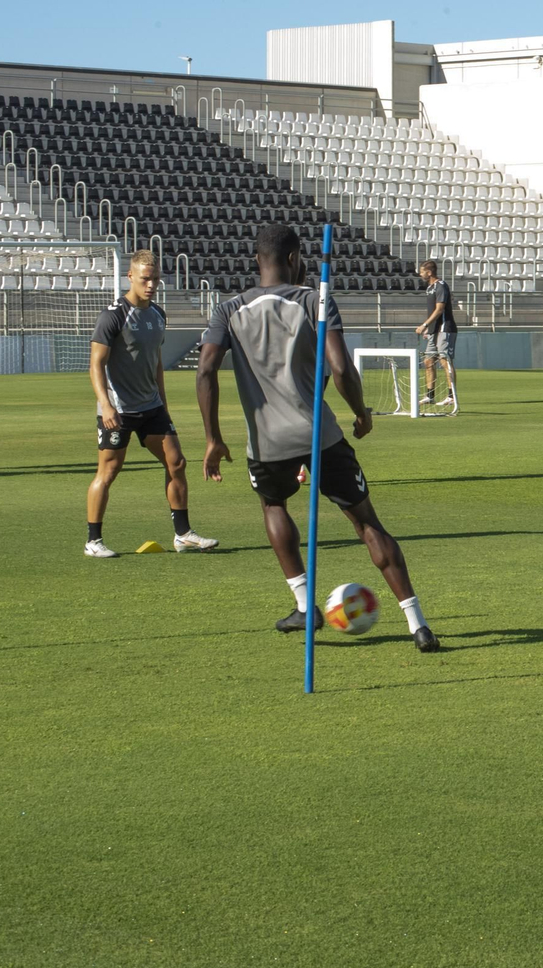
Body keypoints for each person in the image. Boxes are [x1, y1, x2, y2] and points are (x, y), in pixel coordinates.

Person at [196, 224, 440, 652]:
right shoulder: (315, 300)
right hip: (320, 436)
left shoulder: (228, 309)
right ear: (295, 259)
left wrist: (213, 438)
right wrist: (361, 413)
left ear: (258, 260)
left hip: (266, 443)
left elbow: (205, 371)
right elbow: (342, 368)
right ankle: (416, 623)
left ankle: (305, 605)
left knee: (273, 504)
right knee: (366, 523)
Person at [85, 250, 217, 558]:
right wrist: (105, 405)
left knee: (177, 462)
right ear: (130, 277)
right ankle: (93, 540)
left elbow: (156, 361)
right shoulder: (113, 315)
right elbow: (95, 364)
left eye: (156, 279)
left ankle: (183, 534)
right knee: (109, 471)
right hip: (118, 408)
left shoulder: (158, 314)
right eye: (146, 279)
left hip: (152, 406)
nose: (152, 285)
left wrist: (164, 404)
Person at [415, 260, 458, 410]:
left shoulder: (441, 286)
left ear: (429, 272)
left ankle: (452, 397)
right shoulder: (429, 288)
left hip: (445, 329)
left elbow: (440, 309)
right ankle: (429, 396)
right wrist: (429, 328)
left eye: (422, 271)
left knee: (445, 362)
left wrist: (424, 325)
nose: (420, 274)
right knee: (428, 362)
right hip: (434, 330)